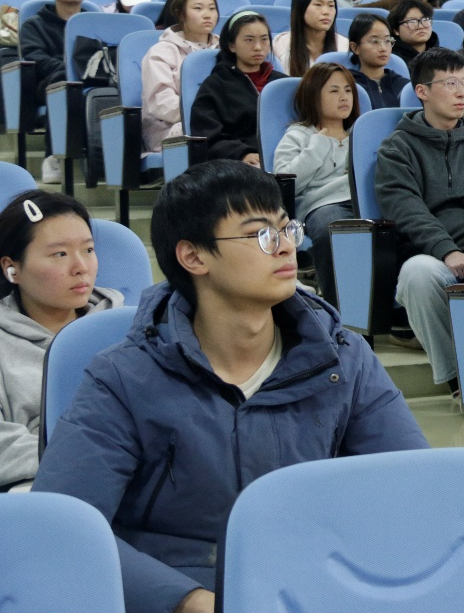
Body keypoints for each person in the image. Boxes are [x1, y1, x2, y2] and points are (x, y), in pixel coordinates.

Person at [33, 161, 429, 613]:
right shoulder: (123, 378)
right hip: (182, 591)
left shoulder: (342, 357)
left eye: (287, 229)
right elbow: (63, 528)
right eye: (260, 235)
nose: (286, 247)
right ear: (193, 257)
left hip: (313, 584)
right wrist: (187, 599)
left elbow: (413, 491)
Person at [376, 49, 464, 400]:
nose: (462, 92)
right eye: (451, 84)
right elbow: (406, 208)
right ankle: (459, 379)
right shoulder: (397, 148)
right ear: (422, 91)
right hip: (435, 256)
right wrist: (447, 250)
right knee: (418, 275)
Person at [0, 190, 125, 493]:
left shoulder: (130, 327)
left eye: (89, 249)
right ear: (11, 268)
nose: (81, 267)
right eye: (60, 254)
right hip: (41, 485)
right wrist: (86, 460)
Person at [273, 63, 359, 305]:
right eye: (334, 91)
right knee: (333, 229)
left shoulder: (360, 134)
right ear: (314, 96)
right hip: (321, 206)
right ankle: (339, 307)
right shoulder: (298, 135)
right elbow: (285, 182)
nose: (344, 97)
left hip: (360, 202)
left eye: (348, 90)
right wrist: (317, 147)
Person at [11, 0, 85, 183]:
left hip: (90, 80)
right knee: (64, 83)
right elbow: (36, 59)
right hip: (48, 83)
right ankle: (54, 156)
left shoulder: (93, 23)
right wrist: (73, 71)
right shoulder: (35, 24)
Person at [188, 10, 285, 165]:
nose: (258, 47)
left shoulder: (282, 84)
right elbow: (208, 138)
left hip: (286, 158)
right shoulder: (215, 86)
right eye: (249, 40)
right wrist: (243, 154)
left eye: (264, 39)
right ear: (232, 45)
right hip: (238, 164)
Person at [141, 0, 219, 155]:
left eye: (212, 8)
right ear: (180, 14)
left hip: (216, 122)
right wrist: (209, 114)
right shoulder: (160, 52)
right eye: (198, 8)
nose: (207, 14)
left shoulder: (224, 50)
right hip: (169, 129)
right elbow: (161, 103)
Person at [273, 0, 348, 78]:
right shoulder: (280, 44)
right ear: (301, 8)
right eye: (318, 4)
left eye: (331, 5)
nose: (326, 12)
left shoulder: (344, 45)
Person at [347, 13, 408, 109]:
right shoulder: (348, 85)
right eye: (375, 42)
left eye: (387, 41)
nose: (383, 48)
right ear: (355, 48)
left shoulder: (404, 86)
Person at [389, 0, 438, 66]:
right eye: (412, 21)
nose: (420, 26)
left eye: (425, 19)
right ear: (396, 30)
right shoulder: (391, 59)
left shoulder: (443, 56)